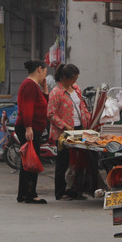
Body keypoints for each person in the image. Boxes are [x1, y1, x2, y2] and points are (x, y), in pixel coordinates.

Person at [47, 63, 93, 200]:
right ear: (64, 78)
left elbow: (82, 107)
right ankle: (60, 191)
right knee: (63, 161)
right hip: (64, 132)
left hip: (79, 129)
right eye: (73, 79)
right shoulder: (56, 92)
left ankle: (76, 189)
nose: (75, 81)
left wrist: (90, 120)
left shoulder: (76, 89)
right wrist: (65, 126)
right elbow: (51, 114)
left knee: (79, 160)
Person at [15, 59, 49, 204]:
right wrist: (29, 128)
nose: (44, 77)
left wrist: (45, 90)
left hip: (32, 127)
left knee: (27, 161)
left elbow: (42, 104)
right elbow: (27, 107)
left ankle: (23, 193)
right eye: (45, 72)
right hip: (30, 128)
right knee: (32, 161)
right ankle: (30, 194)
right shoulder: (29, 85)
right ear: (39, 69)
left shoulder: (34, 86)